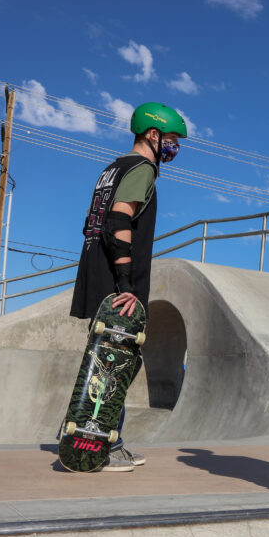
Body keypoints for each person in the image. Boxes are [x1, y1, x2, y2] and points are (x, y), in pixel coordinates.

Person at [67, 102, 187, 471]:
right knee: (115, 368)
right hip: (119, 287)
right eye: (170, 140)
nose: (174, 148)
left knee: (106, 365)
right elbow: (118, 219)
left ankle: (91, 439)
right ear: (153, 135)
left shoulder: (111, 169)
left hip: (96, 274)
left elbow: (91, 221)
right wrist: (125, 284)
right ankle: (100, 448)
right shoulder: (142, 169)